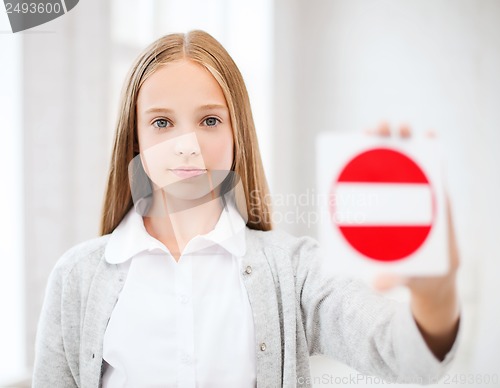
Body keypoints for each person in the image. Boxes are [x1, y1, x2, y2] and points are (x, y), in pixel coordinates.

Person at [32, 30, 461, 387]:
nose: (188, 146)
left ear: (239, 135)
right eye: (162, 122)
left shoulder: (294, 270)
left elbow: (405, 357)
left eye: (210, 120)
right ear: (135, 140)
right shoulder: (77, 277)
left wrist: (436, 295)